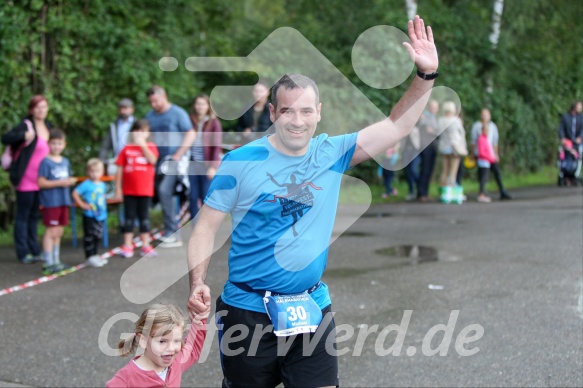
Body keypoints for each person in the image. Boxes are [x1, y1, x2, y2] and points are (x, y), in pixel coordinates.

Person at [186, 15, 438, 387]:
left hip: (310, 308)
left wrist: (426, 76)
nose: (297, 121)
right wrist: (197, 283)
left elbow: (398, 125)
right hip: (247, 311)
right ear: (273, 113)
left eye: (307, 111)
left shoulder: (332, 152)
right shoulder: (239, 162)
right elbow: (205, 227)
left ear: (319, 113)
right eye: (287, 110)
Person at [106, 303, 207, 388]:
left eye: (176, 341)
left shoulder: (177, 361)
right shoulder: (126, 378)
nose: (171, 348)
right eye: (162, 341)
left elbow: (193, 347)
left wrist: (200, 317)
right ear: (143, 340)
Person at [1, 95, 51, 264]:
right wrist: (23, 135)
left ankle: (34, 248)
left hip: (41, 180)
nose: (41, 110)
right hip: (25, 178)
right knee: (23, 215)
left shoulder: (49, 127)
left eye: (43, 107)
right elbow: (5, 138)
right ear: (31, 109)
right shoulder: (25, 125)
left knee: (34, 215)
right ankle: (23, 251)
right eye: (37, 107)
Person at [146, 86, 195, 248]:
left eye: (156, 101)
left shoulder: (177, 113)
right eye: (151, 102)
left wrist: (178, 155)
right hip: (156, 162)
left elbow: (191, 133)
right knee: (152, 194)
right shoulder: (150, 117)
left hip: (174, 161)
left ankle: (172, 233)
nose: (153, 105)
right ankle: (147, 231)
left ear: (164, 96)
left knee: (164, 191)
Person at [115, 119, 159, 258]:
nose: (139, 134)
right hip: (129, 191)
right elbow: (119, 170)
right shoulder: (126, 149)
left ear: (147, 133)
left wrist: (143, 146)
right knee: (129, 217)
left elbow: (153, 160)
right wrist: (118, 188)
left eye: (143, 131)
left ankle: (145, 245)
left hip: (145, 190)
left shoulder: (151, 146)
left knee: (144, 218)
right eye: (137, 130)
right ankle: (127, 245)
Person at [37, 129, 76, 275]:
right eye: (53, 143)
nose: (56, 146)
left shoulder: (65, 161)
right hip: (50, 202)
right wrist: (60, 183)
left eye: (59, 143)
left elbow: (68, 179)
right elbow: (41, 182)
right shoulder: (45, 162)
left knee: (59, 231)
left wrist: (69, 182)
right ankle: (48, 262)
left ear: (64, 144)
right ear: (48, 144)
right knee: (50, 230)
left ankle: (56, 260)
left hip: (63, 201)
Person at [188, 94, 223, 222]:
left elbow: (216, 146)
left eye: (203, 104)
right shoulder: (190, 120)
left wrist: (213, 167)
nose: (200, 107)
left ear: (208, 106)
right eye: (198, 104)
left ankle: (206, 226)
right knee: (192, 196)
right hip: (192, 163)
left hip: (206, 165)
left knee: (205, 196)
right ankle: (193, 227)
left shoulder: (213, 123)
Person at [72, 158, 108, 267]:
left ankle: (95, 254)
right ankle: (89, 256)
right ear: (88, 172)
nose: (94, 174)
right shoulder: (86, 184)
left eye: (97, 171)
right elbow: (75, 193)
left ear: (102, 172)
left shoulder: (102, 185)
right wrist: (82, 204)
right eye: (92, 171)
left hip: (100, 215)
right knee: (89, 236)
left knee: (98, 235)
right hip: (89, 215)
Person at [470, 108, 512, 200]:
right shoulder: (476, 126)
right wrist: (473, 154)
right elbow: (473, 142)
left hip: (490, 154)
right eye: (483, 114)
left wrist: (496, 154)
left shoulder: (493, 126)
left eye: (486, 115)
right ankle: (482, 192)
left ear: (489, 116)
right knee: (482, 174)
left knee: (496, 171)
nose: (484, 116)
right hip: (481, 154)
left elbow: (494, 142)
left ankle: (502, 190)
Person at [437, 101, 467, 203]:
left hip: (444, 148)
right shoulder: (456, 120)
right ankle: (450, 195)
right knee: (452, 173)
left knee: (445, 171)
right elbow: (461, 135)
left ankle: (443, 194)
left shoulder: (441, 120)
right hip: (455, 147)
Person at [99, 98, 135, 175]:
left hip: (133, 161)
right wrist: (101, 160)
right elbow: (105, 145)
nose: (122, 111)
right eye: (120, 108)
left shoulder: (137, 124)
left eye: (125, 108)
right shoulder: (114, 126)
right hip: (117, 161)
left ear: (132, 109)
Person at [416, 99, 439, 202]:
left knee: (429, 171)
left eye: (435, 107)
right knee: (425, 170)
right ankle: (422, 193)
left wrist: (434, 131)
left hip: (433, 146)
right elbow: (427, 129)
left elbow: (436, 131)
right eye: (432, 107)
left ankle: (425, 193)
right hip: (426, 147)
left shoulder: (435, 118)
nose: (434, 109)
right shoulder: (424, 117)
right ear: (429, 107)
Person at [476, 122, 497, 203]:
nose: (487, 132)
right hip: (483, 162)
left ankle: (482, 193)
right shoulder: (481, 139)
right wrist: (490, 158)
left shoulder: (485, 138)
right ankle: (481, 195)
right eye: (486, 130)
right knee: (483, 179)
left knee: (485, 178)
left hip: (486, 162)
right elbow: (481, 152)